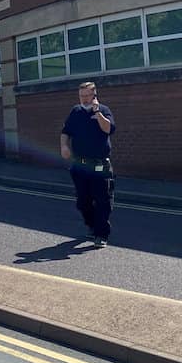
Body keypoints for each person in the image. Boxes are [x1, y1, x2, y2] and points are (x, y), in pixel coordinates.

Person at [59, 81, 114, 248]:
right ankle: (91, 225)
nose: (84, 99)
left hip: (99, 165)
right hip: (80, 165)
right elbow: (65, 132)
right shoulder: (75, 112)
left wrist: (97, 113)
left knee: (102, 200)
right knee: (82, 202)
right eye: (81, 96)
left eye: (87, 96)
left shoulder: (104, 110)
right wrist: (64, 146)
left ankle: (101, 234)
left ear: (94, 95)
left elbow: (108, 129)